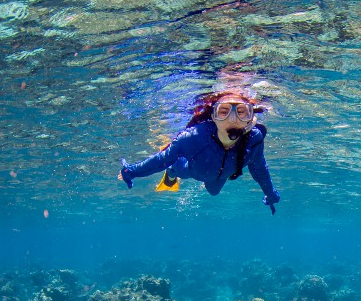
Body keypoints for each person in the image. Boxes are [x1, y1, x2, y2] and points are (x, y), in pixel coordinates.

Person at [119, 91, 281, 214]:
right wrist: (131, 171)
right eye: (223, 112)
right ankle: (171, 174)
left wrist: (270, 194)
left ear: (250, 118)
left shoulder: (254, 139)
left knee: (214, 192)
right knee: (177, 167)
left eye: (241, 112)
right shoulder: (194, 137)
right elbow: (162, 159)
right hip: (192, 170)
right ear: (213, 116)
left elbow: (259, 168)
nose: (233, 119)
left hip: (220, 176)